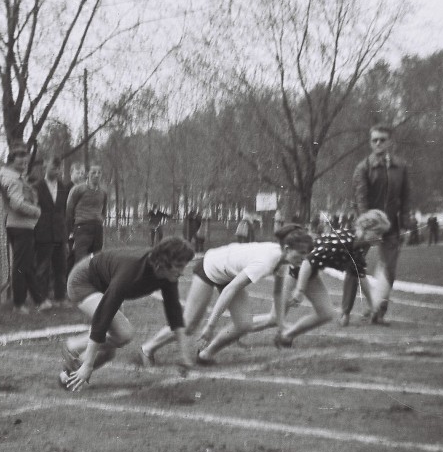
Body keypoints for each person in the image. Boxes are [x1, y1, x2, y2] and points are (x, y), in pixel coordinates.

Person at [141, 227, 312, 367]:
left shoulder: (284, 259)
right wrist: (210, 325)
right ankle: (148, 349)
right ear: (288, 249)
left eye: (306, 254)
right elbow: (230, 289)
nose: (304, 259)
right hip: (210, 268)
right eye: (301, 253)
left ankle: (206, 354)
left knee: (244, 324)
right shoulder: (266, 262)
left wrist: (280, 323)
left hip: (229, 274)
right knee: (189, 324)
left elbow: (277, 292)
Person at [60, 236, 196, 391]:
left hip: (105, 284)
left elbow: (175, 314)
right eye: (178, 265)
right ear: (162, 263)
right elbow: (102, 317)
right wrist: (88, 364)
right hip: (83, 281)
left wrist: (184, 355)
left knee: (107, 354)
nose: (182, 272)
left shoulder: (166, 274)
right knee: (123, 333)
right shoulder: (131, 272)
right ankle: (73, 346)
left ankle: (67, 376)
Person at [285, 210, 390, 337]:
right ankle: (281, 334)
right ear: (366, 228)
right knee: (275, 317)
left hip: (310, 271)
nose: (380, 238)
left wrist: (372, 306)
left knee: (326, 314)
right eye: (378, 232)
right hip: (300, 267)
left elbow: (361, 276)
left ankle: (286, 336)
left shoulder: (360, 246)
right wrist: (300, 290)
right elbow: (308, 261)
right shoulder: (343, 241)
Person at [348, 124, 410, 325]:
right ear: (370, 142)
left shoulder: (401, 167)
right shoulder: (363, 167)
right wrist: (366, 224)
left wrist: (406, 222)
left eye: (382, 139)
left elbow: (406, 197)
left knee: (389, 269)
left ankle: (378, 312)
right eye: (374, 140)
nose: (378, 143)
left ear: (390, 142)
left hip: (391, 225)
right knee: (353, 264)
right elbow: (361, 198)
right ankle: (345, 311)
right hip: (367, 224)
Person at [0, 140, 47, 313]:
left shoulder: (12, 176)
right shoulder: (13, 179)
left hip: (20, 225)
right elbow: (17, 203)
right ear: (11, 160)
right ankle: (18, 303)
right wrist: (36, 211)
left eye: (26, 161)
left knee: (26, 264)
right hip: (20, 225)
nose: (24, 164)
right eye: (20, 160)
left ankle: (40, 300)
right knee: (20, 266)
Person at [33, 155, 72, 306]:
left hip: (59, 233)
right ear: (45, 167)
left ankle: (60, 297)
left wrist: (66, 234)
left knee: (60, 266)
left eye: (58, 168)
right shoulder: (37, 186)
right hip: (43, 232)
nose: (56, 171)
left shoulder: (62, 187)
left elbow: (64, 212)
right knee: (42, 267)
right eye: (53, 167)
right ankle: (42, 298)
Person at [66, 165, 107, 269]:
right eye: (93, 172)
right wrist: (71, 230)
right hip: (82, 228)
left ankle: (91, 284)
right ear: (87, 174)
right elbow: (69, 209)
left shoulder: (103, 192)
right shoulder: (78, 189)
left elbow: (104, 211)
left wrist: (99, 220)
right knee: (81, 260)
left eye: (99, 172)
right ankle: (76, 283)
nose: (97, 175)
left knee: (96, 259)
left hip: (97, 229)